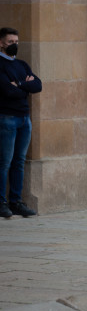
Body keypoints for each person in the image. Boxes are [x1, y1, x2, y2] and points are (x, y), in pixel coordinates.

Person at [0, 27, 42, 218]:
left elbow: (38, 85)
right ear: (1, 43)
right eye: (10, 42)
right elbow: (7, 91)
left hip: (25, 119)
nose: (14, 45)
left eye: (16, 42)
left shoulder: (22, 65)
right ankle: (1, 202)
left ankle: (16, 201)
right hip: (6, 118)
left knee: (19, 161)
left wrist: (20, 85)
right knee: (4, 162)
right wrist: (24, 86)